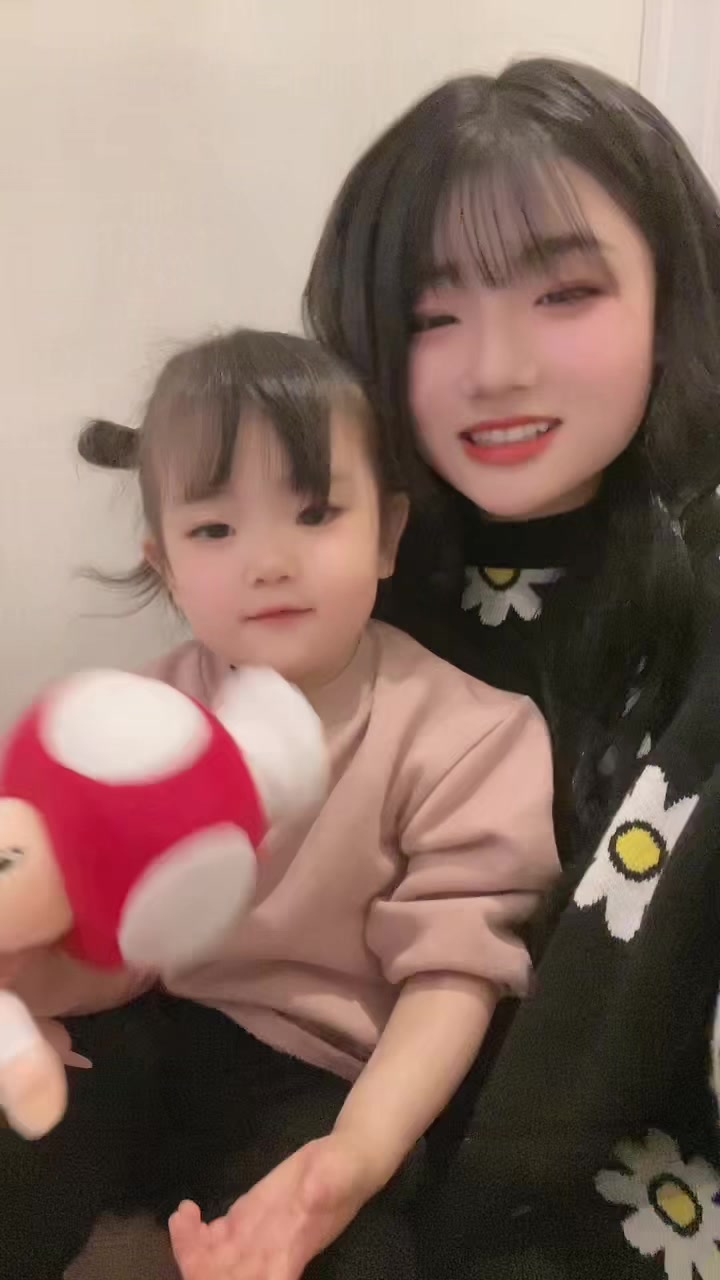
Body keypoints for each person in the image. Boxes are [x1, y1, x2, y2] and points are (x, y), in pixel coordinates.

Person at [0, 328, 557, 1280]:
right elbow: (78, 912)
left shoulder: (471, 732)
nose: (268, 561)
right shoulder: (137, 716)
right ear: (165, 564)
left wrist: (357, 1155)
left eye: (314, 513)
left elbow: (454, 975)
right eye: (215, 530)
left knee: (360, 1251)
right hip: (143, 1026)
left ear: (385, 536)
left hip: (318, 1077)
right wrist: (31, 992)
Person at [304, 56, 720, 1279]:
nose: (496, 367)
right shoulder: (336, 577)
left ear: (673, 299)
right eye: (432, 315)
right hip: (306, 1125)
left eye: (566, 293)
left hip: (634, 1189)